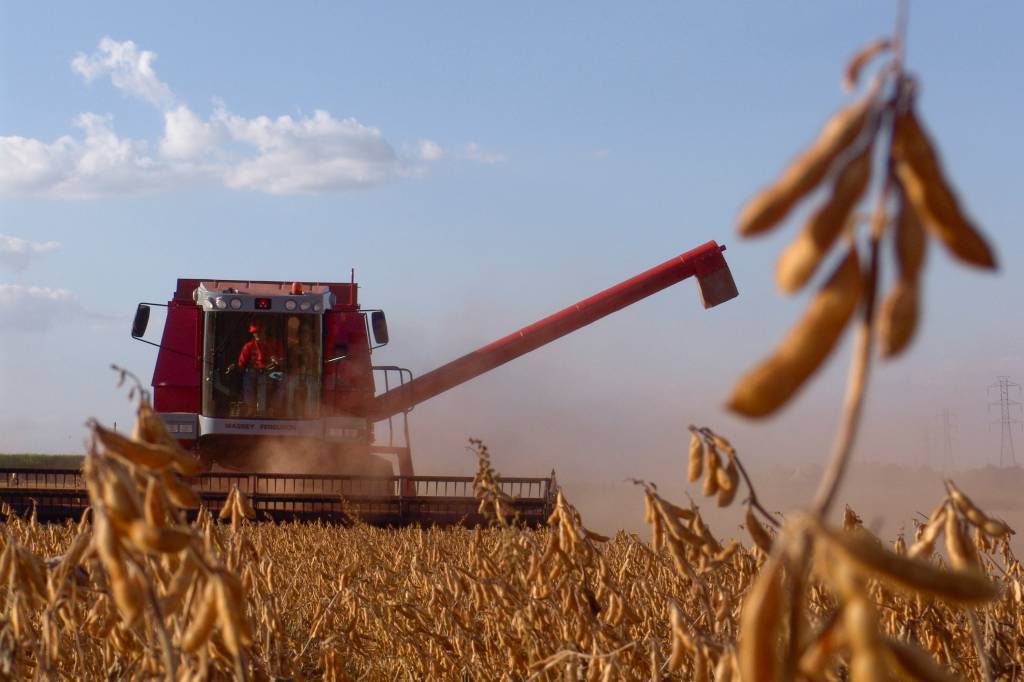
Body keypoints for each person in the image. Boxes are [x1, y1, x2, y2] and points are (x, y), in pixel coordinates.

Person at [236, 322, 282, 416]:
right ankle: (250, 407)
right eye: (255, 332)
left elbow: (282, 361)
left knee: (283, 379)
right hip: (254, 373)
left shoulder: (274, 344)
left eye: (260, 332)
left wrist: (277, 361)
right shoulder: (248, 347)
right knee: (247, 377)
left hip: (271, 373)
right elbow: (241, 364)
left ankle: (273, 408)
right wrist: (247, 367)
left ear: (265, 332)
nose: (258, 334)